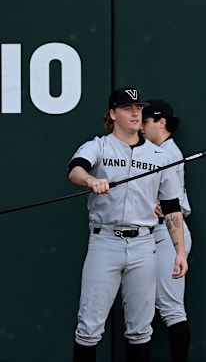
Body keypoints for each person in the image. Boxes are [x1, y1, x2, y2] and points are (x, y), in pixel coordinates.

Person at [69, 87, 188, 362]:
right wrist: (90, 180)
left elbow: (172, 207)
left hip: (144, 245)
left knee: (140, 330)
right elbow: (75, 168)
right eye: (127, 108)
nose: (135, 113)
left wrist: (179, 251)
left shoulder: (161, 157)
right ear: (113, 114)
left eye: (138, 109)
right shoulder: (98, 146)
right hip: (105, 240)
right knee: (88, 327)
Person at [141, 99, 193, 362]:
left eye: (145, 121)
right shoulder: (149, 152)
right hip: (149, 234)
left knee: (171, 309)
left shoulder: (168, 153)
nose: (140, 125)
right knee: (141, 311)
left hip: (169, 233)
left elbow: (172, 205)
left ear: (161, 122)